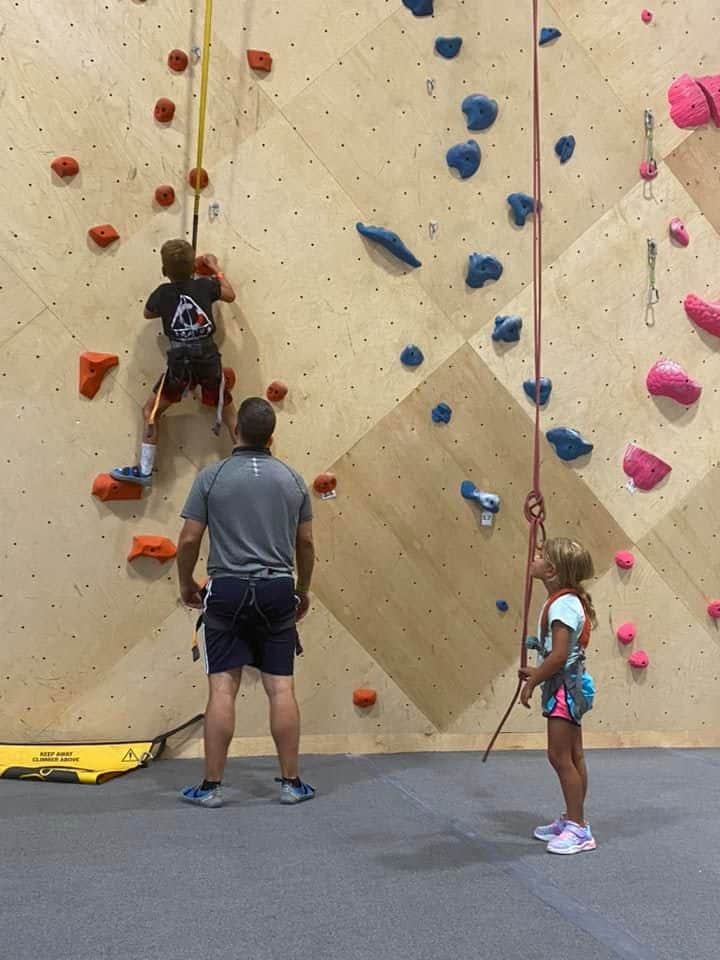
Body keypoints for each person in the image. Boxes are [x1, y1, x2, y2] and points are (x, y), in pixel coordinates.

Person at [175, 397, 316, 808]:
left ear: (236, 432)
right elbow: (305, 543)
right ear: (272, 436)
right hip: (277, 589)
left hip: (228, 590)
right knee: (281, 687)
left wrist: (186, 583)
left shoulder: (211, 478)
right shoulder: (293, 480)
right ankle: (291, 784)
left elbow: (187, 539)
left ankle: (211, 788)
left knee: (222, 688)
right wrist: (302, 590)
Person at [110, 238, 238, 488]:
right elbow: (230, 295)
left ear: (164, 271)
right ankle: (253, 467)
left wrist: (170, 302)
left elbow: (148, 313)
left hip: (180, 365)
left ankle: (145, 469)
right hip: (209, 361)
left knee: (151, 412)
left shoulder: (162, 294)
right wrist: (214, 268)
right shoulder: (205, 286)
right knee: (229, 411)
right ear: (194, 267)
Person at [519, 537, 598, 855]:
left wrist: (535, 679)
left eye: (539, 555)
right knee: (574, 755)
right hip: (569, 684)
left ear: (551, 569)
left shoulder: (563, 605)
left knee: (559, 756)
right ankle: (574, 818)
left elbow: (559, 655)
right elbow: (557, 653)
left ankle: (579, 828)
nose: (533, 557)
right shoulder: (564, 599)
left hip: (564, 687)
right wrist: (538, 671)